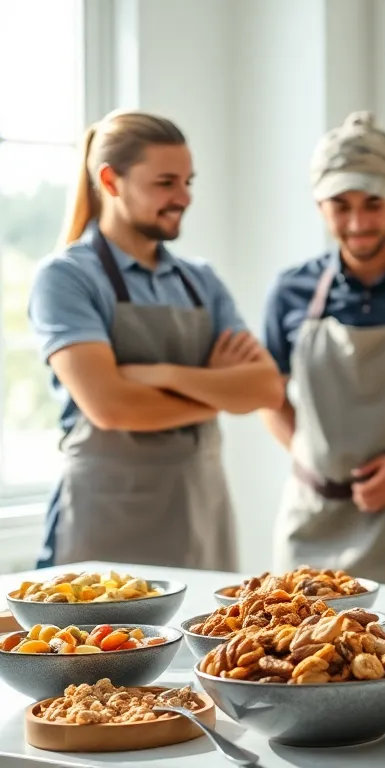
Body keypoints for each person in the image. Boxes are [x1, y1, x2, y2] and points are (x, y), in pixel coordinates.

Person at [27, 109, 284, 570]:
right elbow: (111, 407)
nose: (183, 196)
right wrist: (218, 390)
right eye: (166, 183)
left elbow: (266, 390)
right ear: (111, 180)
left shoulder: (200, 280)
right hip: (108, 518)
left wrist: (161, 374)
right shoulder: (66, 277)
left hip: (200, 513)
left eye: (188, 181)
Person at [259, 112, 385, 588]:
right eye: (340, 205)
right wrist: (311, 457)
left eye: (373, 203)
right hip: (310, 525)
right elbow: (269, 397)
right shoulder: (290, 291)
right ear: (318, 205)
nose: (357, 223)